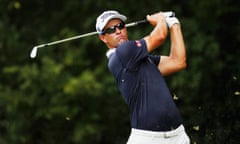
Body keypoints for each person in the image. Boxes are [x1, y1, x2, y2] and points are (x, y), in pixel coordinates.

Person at [96, 10, 190, 144]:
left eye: (121, 26)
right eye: (111, 29)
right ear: (103, 37)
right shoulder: (122, 53)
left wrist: (174, 24)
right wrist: (161, 19)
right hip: (148, 139)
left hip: (177, 135)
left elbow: (178, 61)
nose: (118, 31)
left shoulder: (143, 60)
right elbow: (159, 36)